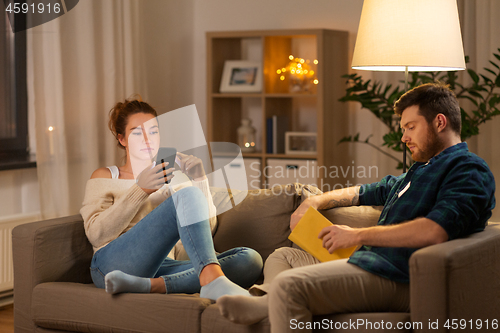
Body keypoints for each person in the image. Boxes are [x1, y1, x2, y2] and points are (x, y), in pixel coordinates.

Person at [217, 82, 496, 331]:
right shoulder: (419, 171)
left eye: (411, 127)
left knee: (290, 287)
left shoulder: (468, 169)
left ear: (439, 122)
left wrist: (357, 235)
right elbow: (367, 191)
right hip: (371, 261)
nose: (403, 137)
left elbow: (436, 231)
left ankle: (273, 300)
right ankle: (267, 301)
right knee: (282, 256)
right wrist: (315, 200)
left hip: (400, 275)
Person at [80, 98, 263, 300]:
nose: (147, 140)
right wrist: (141, 189)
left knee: (250, 260)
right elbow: (96, 234)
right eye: (137, 133)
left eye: (153, 131)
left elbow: (207, 231)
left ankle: (151, 286)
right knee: (187, 195)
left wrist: (199, 179)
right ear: (122, 139)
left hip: (162, 266)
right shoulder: (105, 176)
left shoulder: (177, 181)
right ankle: (211, 282)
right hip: (111, 265)